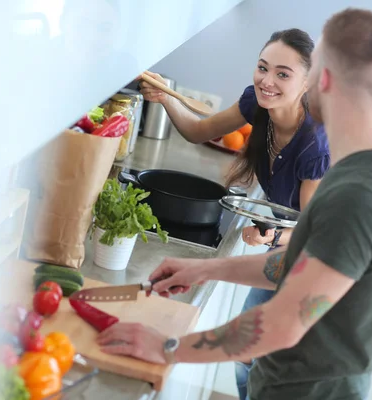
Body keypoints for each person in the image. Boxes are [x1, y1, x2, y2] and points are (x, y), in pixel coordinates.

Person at [97, 8, 372, 400]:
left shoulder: (359, 195)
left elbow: (283, 323)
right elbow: (302, 261)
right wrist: (206, 269)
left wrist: (168, 348)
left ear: (324, 79)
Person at [141, 31, 329, 398]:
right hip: (283, 259)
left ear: (307, 81)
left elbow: (314, 230)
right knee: (248, 360)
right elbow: (198, 131)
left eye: (283, 74)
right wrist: (165, 98)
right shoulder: (258, 105)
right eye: (262, 68)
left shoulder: (314, 146)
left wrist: (272, 236)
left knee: (266, 367)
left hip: (314, 267)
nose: (267, 80)